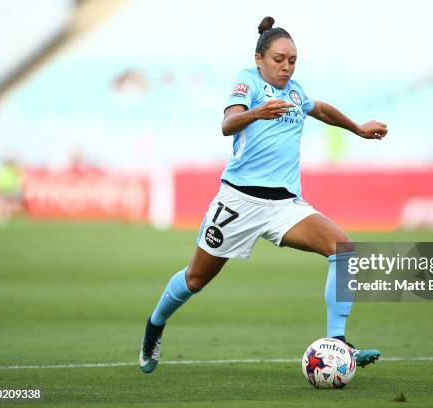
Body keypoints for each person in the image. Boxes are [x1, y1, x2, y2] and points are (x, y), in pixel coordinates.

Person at [139, 16, 388, 374]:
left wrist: (358, 129)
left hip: (284, 206)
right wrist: (257, 113)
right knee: (196, 278)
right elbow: (227, 125)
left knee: (343, 250)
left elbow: (319, 109)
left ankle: (338, 343)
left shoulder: (296, 91)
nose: (286, 67)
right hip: (239, 201)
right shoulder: (249, 81)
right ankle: (155, 326)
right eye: (278, 59)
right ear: (259, 58)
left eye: (292, 61)